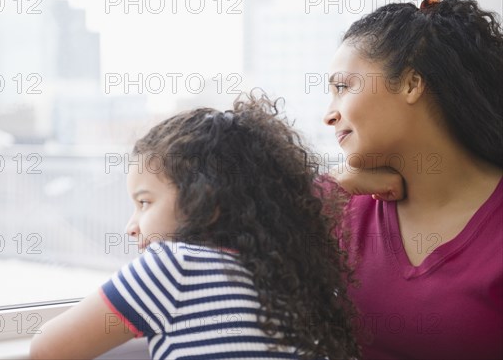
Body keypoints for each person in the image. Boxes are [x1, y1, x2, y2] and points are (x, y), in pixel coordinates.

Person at [30, 93, 361, 360]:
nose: (132, 226)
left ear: (206, 201)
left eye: (144, 203)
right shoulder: (290, 281)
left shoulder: (174, 266)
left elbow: (47, 349)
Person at [324, 0, 503, 359]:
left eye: (342, 87)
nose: (328, 115)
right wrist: (328, 190)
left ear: (410, 84)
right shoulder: (343, 210)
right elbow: (212, 268)